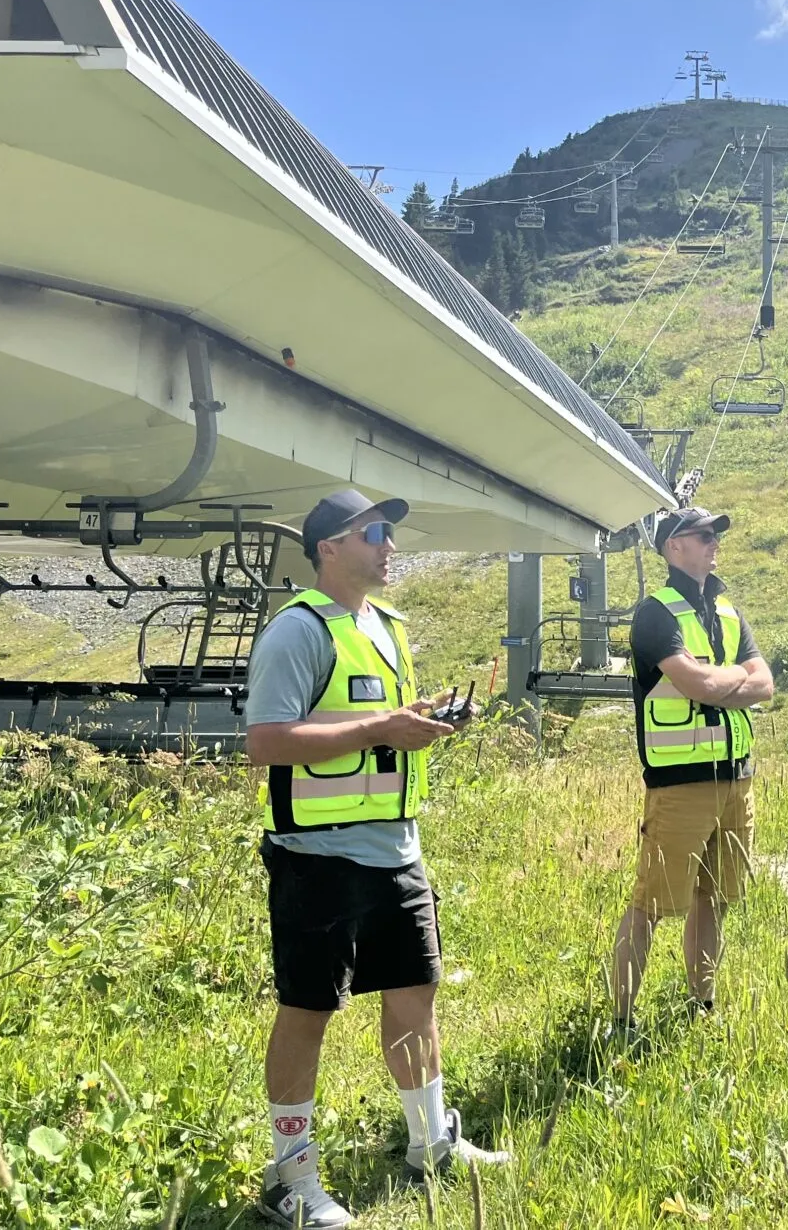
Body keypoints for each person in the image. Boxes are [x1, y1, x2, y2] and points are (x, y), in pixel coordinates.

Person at [245, 488, 508, 1228]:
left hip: (397, 848)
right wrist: (379, 729)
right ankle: (291, 1178)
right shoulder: (297, 632)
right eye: (376, 533)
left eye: (390, 533)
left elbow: (379, 727)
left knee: (414, 997)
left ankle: (431, 1145)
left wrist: (420, 723)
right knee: (308, 1010)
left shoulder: (387, 627)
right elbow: (265, 742)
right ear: (329, 546)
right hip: (316, 857)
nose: (391, 545)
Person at [611, 505, 775, 1030]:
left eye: (715, 535)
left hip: (736, 778)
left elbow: (765, 683)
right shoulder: (655, 613)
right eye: (703, 535)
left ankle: (701, 1006)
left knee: (717, 898)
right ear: (673, 546)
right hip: (680, 784)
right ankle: (622, 1021)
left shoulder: (726, 609)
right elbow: (695, 685)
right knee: (650, 905)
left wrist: (716, 682)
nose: (713, 542)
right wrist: (733, 683)